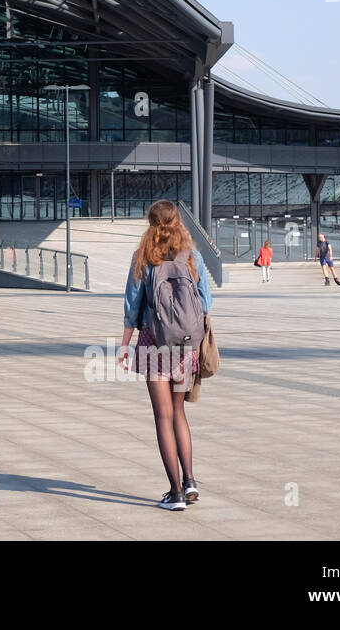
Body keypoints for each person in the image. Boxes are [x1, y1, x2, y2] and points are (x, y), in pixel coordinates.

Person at [118, 200, 213, 512]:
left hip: (152, 341)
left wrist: (124, 345)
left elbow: (132, 308)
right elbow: (206, 304)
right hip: (187, 345)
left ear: (151, 224)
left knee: (163, 417)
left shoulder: (143, 258)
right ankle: (190, 481)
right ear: (178, 222)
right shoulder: (193, 257)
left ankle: (174, 494)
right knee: (179, 414)